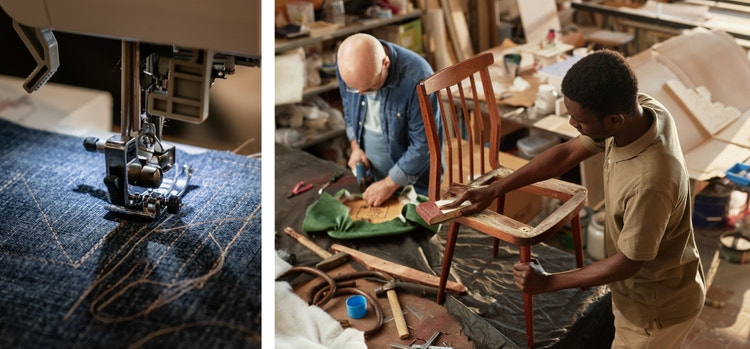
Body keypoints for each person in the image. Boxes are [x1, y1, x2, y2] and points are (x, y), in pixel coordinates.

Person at [443, 50, 705, 348]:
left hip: (654, 311)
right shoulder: (642, 111)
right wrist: (495, 188)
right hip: (646, 289)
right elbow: (567, 153)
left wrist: (548, 282)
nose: (571, 123)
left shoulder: (651, 180)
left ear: (615, 120)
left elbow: (627, 263)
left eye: (579, 119)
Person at [336, 33, 441, 207]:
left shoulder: (419, 78)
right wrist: (355, 146)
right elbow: (348, 109)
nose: (361, 94)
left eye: (369, 88)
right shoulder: (347, 64)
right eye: (355, 89)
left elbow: (424, 144)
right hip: (373, 178)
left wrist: (389, 184)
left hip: (415, 184)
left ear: (386, 63)